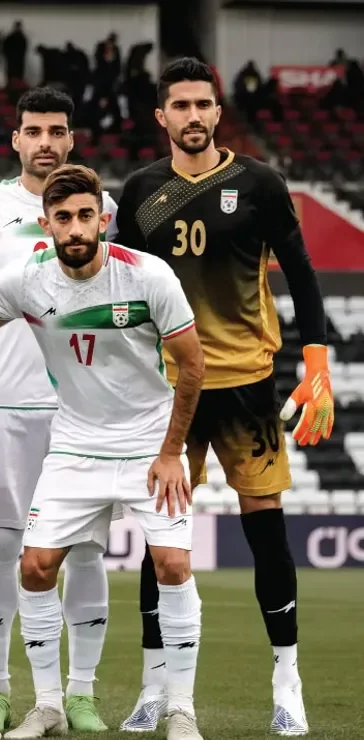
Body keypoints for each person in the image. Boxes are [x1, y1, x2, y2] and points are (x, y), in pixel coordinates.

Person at [115, 57, 329, 736]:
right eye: (180, 105)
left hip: (247, 382)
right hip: (169, 387)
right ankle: (153, 686)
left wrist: (317, 362)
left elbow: (301, 272)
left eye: (203, 104)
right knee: (160, 539)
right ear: (162, 116)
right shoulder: (140, 191)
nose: (194, 116)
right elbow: (120, 290)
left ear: (217, 110)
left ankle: (288, 682)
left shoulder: (260, 183)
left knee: (266, 528)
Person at [0, 164, 207, 740]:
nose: (75, 228)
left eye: (85, 216)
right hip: (74, 446)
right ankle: (48, 705)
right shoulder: (28, 280)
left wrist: (172, 453)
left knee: (173, 565)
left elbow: (193, 365)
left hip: (149, 446)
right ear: (46, 223)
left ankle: (181, 709)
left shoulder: (148, 275)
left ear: (103, 219)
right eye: (63, 217)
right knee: (35, 567)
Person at [0, 87, 116, 734]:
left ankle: (79, 693)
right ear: (16, 140)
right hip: (3, 405)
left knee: (83, 553)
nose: (46, 142)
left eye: (57, 131)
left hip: (78, 412)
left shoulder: (100, 208)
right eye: (34, 131)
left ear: (72, 139)